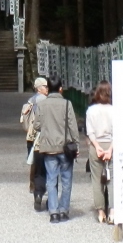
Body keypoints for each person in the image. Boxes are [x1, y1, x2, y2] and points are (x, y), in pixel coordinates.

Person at [30, 75, 79, 223]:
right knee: (66, 180)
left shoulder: (42, 105)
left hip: (48, 148)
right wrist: (76, 144)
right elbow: (73, 126)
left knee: (51, 180)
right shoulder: (67, 104)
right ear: (60, 89)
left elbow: (36, 125)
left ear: (48, 89)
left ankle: (53, 213)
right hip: (65, 148)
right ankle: (63, 210)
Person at [85, 80, 115, 223]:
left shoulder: (91, 110)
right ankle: (113, 212)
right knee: (112, 180)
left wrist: (97, 147)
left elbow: (90, 132)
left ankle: (101, 212)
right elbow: (117, 132)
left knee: (96, 180)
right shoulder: (115, 110)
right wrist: (110, 149)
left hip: (95, 145)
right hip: (111, 145)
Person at [21, 76, 49, 210]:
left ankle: (33, 185)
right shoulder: (44, 101)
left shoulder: (30, 100)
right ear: (39, 88)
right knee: (45, 164)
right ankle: (43, 188)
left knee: (33, 161)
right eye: (45, 86)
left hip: (30, 135)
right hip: (41, 136)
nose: (47, 88)